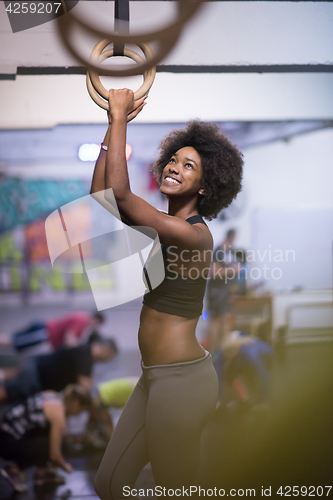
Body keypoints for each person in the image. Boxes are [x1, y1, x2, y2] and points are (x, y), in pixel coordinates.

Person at [90, 89, 243, 499]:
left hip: (182, 382)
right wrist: (111, 127)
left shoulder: (194, 235)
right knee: (109, 484)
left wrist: (121, 116)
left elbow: (121, 195)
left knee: (177, 489)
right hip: (154, 378)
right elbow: (103, 199)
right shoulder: (161, 226)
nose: (175, 167)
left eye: (188, 165)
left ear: (207, 186)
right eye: (174, 159)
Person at [0, 384, 92, 492]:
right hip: (7, 444)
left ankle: (42, 473)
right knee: (62, 445)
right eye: (81, 410)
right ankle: (14, 470)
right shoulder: (59, 414)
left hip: (4, 432)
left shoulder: (51, 394)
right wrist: (66, 467)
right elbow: (54, 455)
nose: (78, 414)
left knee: (50, 433)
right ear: (76, 403)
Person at [0, 338, 118, 404]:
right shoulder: (85, 356)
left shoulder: (86, 354)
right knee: (6, 393)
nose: (107, 360)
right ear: (106, 351)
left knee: (8, 382)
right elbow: (85, 385)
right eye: (110, 357)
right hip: (37, 375)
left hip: (37, 367)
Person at [205, 229, 240, 353]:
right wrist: (234, 270)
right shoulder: (219, 251)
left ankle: (221, 354)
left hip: (225, 292)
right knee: (215, 321)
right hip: (216, 292)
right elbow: (213, 272)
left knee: (225, 320)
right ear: (231, 237)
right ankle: (213, 354)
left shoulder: (229, 252)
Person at [0, 311, 105, 352]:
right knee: (13, 341)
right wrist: (80, 348)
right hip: (44, 331)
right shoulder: (82, 321)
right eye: (97, 325)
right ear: (96, 320)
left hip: (44, 330)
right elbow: (69, 338)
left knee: (14, 341)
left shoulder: (82, 319)